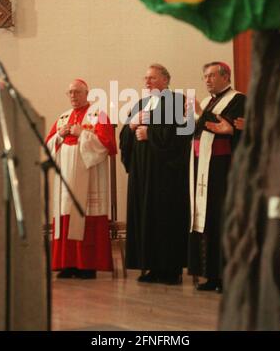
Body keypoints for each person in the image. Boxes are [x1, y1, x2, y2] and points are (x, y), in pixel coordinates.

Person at [120, 64, 191, 285]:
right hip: (142, 172)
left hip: (165, 174)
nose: (147, 82)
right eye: (145, 78)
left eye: (152, 78)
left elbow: (182, 135)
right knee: (145, 216)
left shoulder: (177, 102)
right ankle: (150, 265)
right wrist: (131, 127)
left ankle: (171, 269)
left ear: (165, 80)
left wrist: (151, 133)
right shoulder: (141, 104)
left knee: (165, 217)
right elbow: (124, 137)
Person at [46, 79, 117, 279]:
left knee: (86, 218)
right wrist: (60, 135)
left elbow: (107, 146)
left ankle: (87, 265)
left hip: (89, 177)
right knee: (66, 217)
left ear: (87, 93)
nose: (73, 96)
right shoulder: (63, 117)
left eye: (77, 92)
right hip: (65, 178)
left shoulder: (98, 115)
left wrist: (82, 133)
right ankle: (67, 264)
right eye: (69, 92)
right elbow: (48, 146)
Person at [188, 62, 246, 292]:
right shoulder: (206, 101)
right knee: (208, 221)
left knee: (223, 220)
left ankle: (228, 277)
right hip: (204, 169)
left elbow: (232, 129)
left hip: (223, 170)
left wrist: (227, 127)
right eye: (205, 76)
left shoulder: (238, 99)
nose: (207, 80)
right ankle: (211, 275)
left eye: (212, 75)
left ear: (226, 76)